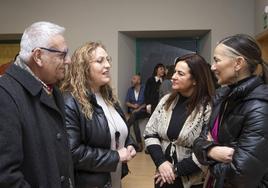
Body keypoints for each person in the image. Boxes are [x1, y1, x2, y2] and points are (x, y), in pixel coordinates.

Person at [0, 21, 74, 187]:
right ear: (38, 56)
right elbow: (6, 176)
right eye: (62, 55)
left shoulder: (53, 90)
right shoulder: (5, 95)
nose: (68, 61)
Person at [193, 34, 268, 188]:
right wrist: (212, 151)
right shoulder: (223, 97)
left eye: (217, 60)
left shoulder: (260, 107)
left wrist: (208, 159)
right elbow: (198, 142)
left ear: (238, 63)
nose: (212, 67)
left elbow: (241, 175)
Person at [60, 41, 136, 188]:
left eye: (108, 60)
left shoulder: (109, 97)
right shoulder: (71, 101)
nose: (107, 65)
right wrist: (116, 156)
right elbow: (73, 153)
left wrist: (129, 144)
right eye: (100, 61)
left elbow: (117, 130)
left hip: (114, 181)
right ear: (84, 67)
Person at [144, 53, 215, 188]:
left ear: (195, 79)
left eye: (180, 74)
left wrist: (174, 171)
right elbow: (150, 133)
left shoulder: (207, 107)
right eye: (174, 72)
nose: (173, 77)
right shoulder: (166, 101)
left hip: (191, 181)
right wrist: (161, 163)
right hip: (162, 177)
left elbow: (206, 149)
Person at [125, 74, 149, 152]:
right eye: (132, 79)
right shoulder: (130, 90)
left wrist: (138, 109)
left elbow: (147, 102)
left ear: (139, 81)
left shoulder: (144, 88)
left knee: (134, 115)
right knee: (135, 121)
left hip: (143, 111)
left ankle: (125, 127)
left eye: (134, 79)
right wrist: (133, 106)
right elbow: (126, 102)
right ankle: (139, 144)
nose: (132, 80)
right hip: (134, 112)